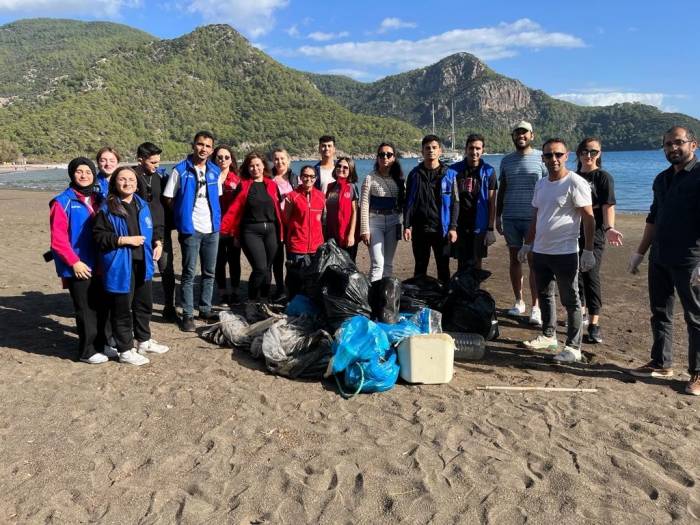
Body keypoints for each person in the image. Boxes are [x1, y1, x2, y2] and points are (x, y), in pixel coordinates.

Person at [628, 126, 700, 396]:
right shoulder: (661, 179)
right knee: (660, 312)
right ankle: (661, 362)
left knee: (696, 317)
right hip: (660, 257)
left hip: (691, 259)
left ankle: (698, 373)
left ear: (693, 145)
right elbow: (653, 218)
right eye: (668, 144)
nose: (673, 148)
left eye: (678, 143)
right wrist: (640, 253)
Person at [521, 138, 594, 363]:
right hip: (541, 251)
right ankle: (548, 335)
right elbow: (536, 217)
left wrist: (589, 250)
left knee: (570, 300)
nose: (553, 159)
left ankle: (573, 347)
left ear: (567, 155)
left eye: (558, 155)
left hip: (565, 252)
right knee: (544, 295)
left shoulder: (575, 182)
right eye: (548, 155)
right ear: (543, 158)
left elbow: (589, 219)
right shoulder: (541, 184)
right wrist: (527, 244)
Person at [93, 167, 169, 366]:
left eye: (131, 179)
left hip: (143, 263)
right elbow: (99, 238)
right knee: (122, 309)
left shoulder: (142, 204)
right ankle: (125, 350)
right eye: (122, 179)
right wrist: (123, 240)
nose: (128, 183)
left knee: (144, 305)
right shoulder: (107, 208)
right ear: (114, 183)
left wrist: (157, 243)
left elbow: (151, 230)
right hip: (120, 265)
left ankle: (143, 341)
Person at [49, 157, 112, 364]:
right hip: (78, 265)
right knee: (85, 309)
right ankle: (87, 351)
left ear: (94, 174)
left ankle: (103, 344)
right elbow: (58, 240)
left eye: (88, 171)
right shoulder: (62, 202)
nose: (84, 175)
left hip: (100, 263)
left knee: (102, 305)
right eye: (79, 171)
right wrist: (74, 262)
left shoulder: (99, 198)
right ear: (72, 174)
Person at [162, 131, 222, 332]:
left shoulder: (214, 171)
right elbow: (169, 198)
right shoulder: (180, 170)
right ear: (193, 145)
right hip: (190, 229)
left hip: (212, 229)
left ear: (211, 149)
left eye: (207, 146)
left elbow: (216, 198)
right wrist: (182, 216)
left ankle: (204, 308)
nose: (203, 149)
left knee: (209, 272)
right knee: (188, 273)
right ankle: (187, 314)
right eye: (200, 144)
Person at [496, 121, 548, 325]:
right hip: (510, 217)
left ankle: (536, 307)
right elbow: (502, 190)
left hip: (533, 219)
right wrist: (497, 216)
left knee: (534, 262)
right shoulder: (506, 161)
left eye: (524, 132)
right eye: (517, 133)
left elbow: (548, 187)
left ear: (532, 135)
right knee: (515, 260)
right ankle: (519, 301)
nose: (521, 136)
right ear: (513, 136)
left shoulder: (541, 158)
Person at [575, 138, 624, 344]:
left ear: (600, 154)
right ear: (578, 153)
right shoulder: (573, 176)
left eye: (593, 152)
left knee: (591, 276)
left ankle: (594, 324)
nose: (588, 155)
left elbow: (607, 206)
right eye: (585, 151)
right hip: (571, 231)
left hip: (594, 232)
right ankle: (580, 314)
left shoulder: (603, 177)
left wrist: (609, 228)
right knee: (574, 276)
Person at [220, 152, 284, 302]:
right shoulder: (243, 185)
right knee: (260, 268)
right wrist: (233, 234)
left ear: (263, 166)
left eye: (258, 165)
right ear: (247, 168)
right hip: (251, 231)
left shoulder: (272, 185)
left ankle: (263, 300)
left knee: (268, 269)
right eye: (251, 166)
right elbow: (235, 211)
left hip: (271, 230)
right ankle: (251, 301)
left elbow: (278, 210)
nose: (255, 168)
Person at [403, 134, 459, 284]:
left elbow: (455, 203)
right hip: (420, 229)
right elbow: (409, 202)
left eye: (434, 148)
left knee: (443, 268)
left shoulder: (450, 174)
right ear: (422, 151)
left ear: (440, 151)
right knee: (420, 268)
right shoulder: (414, 174)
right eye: (427, 148)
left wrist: (453, 227)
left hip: (442, 229)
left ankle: (444, 303)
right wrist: (407, 225)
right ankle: (419, 299)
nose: (431, 151)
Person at [133, 142, 172, 319]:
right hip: (139, 233)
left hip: (161, 231)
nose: (157, 166)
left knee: (166, 269)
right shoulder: (131, 178)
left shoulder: (160, 178)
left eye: (158, 162)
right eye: (152, 162)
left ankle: (169, 307)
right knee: (140, 270)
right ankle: (138, 308)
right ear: (140, 160)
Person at [450, 133, 497, 270]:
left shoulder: (489, 172)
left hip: (479, 225)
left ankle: (474, 290)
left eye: (478, 148)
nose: (474, 152)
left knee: (477, 263)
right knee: (461, 263)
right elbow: (448, 199)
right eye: (471, 148)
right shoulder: (454, 170)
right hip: (460, 224)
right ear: (466, 149)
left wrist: (490, 228)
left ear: (483, 150)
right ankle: (461, 291)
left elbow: (491, 203)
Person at [359, 142, 405, 281]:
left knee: (388, 264)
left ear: (394, 158)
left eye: (389, 154)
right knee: (377, 263)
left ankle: (386, 296)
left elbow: (404, 204)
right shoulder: (369, 178)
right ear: (377, 157)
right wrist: (364, 230)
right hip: (375, 222)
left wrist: (405, 225)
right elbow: (364, 204)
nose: (385, 157)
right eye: (381, 154)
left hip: (394, 221)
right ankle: (374, 298)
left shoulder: (400, 180)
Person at [213, 145, 242, 305]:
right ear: (214, 159)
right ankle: (222, 292)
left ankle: (236, 292)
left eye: (226, 157)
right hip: (214, 227)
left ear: (231, 160)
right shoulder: (210, 177)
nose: (223, 160)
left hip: (232, 228)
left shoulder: (237, 180)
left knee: (234, 261)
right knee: (218, 261)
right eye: (219, 157)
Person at [270, 148, 297, 300]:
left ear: (288, 160)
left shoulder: (295, 179)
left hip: (292, 225)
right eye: (276, 159)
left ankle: (293, 288)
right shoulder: (270, 179)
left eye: (282, 158)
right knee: (277, 258)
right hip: (275, 223)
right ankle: (280, 288)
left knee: (292, 258)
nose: (279, 162)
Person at [284, 165, 325, 261]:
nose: (308, 179)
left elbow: (322, 221)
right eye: (305, 176)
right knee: (297, 275)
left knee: (315, 275)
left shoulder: (321, 196)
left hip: (316, 247)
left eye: (312, 176)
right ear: (300, 177)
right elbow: (286, 220)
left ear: (316, 178)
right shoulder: (292, 196)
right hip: (297, 247)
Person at [325, 156, 360, 261]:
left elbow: (355, 212)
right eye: (339, 166)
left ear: (351, 171)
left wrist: (351, 234)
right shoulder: (330, 187)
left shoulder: (352, 187)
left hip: (346, 234)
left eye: (345, 167)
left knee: (348, 265)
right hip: (332, 234)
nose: (341, 169)